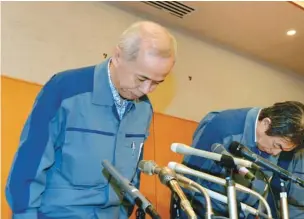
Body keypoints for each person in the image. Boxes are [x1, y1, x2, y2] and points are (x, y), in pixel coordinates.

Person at [5, 21, 177, 219]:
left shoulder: (143, 109)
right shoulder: (65, 90)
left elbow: (131, 178)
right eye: (141, 79)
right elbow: (29, 163)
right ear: (118, 56)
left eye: (157, 83)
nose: (146, 90)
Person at [171, 101, 304, 218]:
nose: (276, 153)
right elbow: (187, 180)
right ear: (266, 123)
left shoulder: (271, 142)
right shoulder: (223, 126)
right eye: (277, 145)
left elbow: (257, 192)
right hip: (203, 211)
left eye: (282, 150)